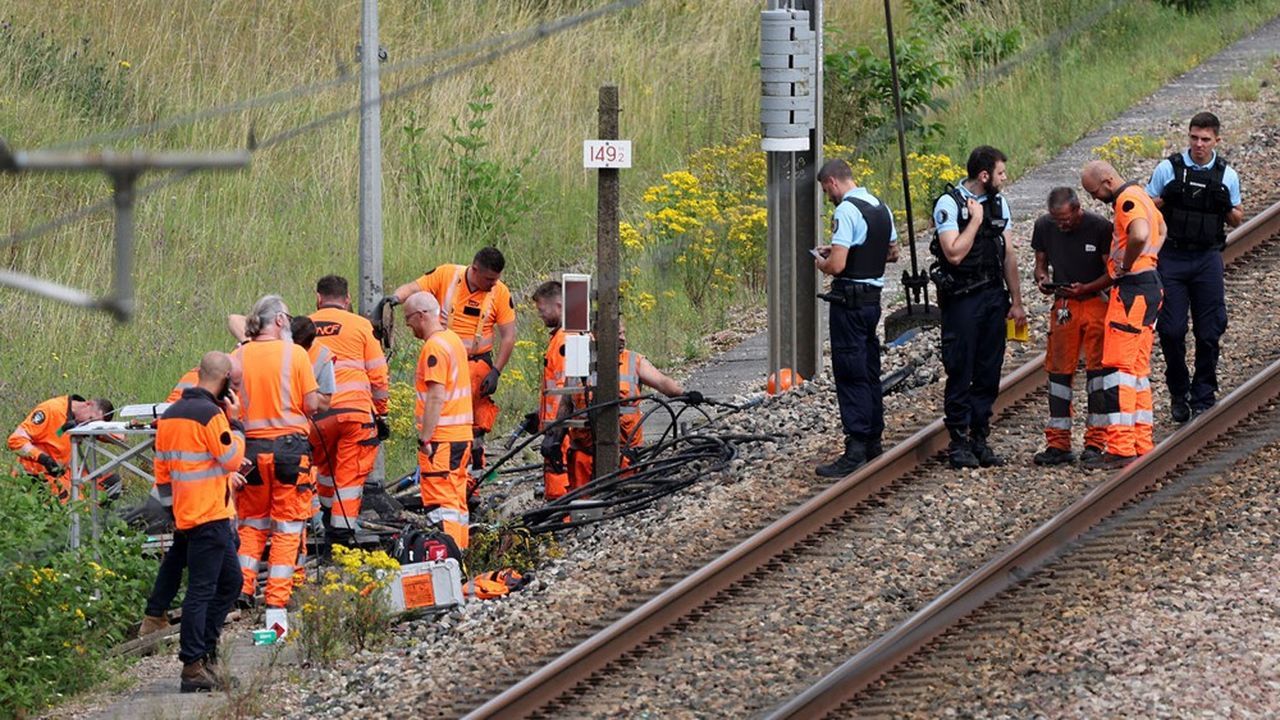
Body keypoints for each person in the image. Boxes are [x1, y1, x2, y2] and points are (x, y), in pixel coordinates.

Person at [149, 351, 246, 693]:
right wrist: (235, 423)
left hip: (190, 515)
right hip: (210, 517)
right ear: (222, 382)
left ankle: (204, 654)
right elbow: (232, 459)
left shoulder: (171, 414)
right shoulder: (212, 415)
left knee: (230, 583)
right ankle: (192, 666)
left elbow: (161, 471)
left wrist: (175, 512)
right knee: (203, 591)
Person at [930, 145, 1027, 469]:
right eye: (1000, 173)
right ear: (984, 176)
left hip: (992, 296)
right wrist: (975, 222)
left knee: (988, 370)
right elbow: (954, 253)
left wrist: (1016, 301)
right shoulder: (950, 205)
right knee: (961, 368)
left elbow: (1008, 254)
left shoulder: (999, 203)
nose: (1005, 178)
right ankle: (958, 441)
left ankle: (979, 437)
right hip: (962, 299)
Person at [230, 295, 321, 638]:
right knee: (286, 527)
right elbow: (311, 403)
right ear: (281, 321)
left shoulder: (239, 355)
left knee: (251, 523)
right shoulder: (295, 354)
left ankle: (242, 589)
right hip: (289, 451)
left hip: (250, 451)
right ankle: (277, 601)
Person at [1146, 111, 1243, 423]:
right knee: (1171, 330)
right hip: (1172, 257)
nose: (1198, 144)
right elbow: (1145, 208)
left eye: (1205, 139)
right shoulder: (1168, 169)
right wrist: (1165, 199)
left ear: (1216, 140)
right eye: (1194, 138)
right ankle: (1178, 390)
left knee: (1209, 330)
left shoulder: (1226, 174)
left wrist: (1225, 204)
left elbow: (1237, 217)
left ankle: (1203, 391)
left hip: (1206, 258)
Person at [392, 247, 516, 472]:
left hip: (478, 366)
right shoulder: (446, 275)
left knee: (477, 427)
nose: (493, 284)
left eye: (497, 279)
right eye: (489, 279)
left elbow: (508, 336)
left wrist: (496, 370)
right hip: (446, 364)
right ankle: (446, 468)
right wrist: (392, 300)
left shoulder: (499, 292)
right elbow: (412, 289)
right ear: (475, 270)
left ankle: (473, 483)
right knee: (443, 421)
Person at [1081, 160, 1166, 469]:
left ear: (1106, 180)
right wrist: (1149, 258)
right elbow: (1161, 228)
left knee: (1118, 369)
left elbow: (1141, 233)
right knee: (1137, 371)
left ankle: (1119, 446)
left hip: (1132, 290)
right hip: (1150, 286)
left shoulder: (1126, 200)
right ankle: (1141, 441)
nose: (1093, 199)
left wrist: (1128, 264)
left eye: (1093, 191)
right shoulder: (1141, 194)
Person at [812, 158, 894, 477]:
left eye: (825, 189)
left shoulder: (845, 210)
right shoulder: (880, 206)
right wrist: (842, 250)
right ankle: (873, 438)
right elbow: (892, 252)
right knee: (869, 367)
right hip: (872, 301)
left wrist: (822, 260)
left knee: (850, 370)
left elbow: (837, 266)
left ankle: (856, 445)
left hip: (849, 302)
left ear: (833, 182)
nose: (826, 195)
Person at [548, 317, 697, 492]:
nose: (622, 338)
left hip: (625, 455)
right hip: (583, 458)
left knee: (624, 501)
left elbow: (663, 382)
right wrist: (555, 438)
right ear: (596, 335)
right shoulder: (580, 362)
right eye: (617, 333)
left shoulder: (633, 361)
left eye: (623, 333)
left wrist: (685, 394)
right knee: (583, 507)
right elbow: (566, 405)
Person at [1030, 187, 1114, 466]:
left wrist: (1087, 287)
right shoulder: (1044, 226)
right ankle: (1058, 443)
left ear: (1078, 209)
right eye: (1057, 220)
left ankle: (1096, 441)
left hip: (1094, 302)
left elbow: (1112, 272)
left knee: (1098, 372)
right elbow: (1040, 264)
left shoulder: (1100, 228)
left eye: (1066, 219)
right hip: (1064, 303)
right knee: (1058, 372)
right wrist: (1042, 278)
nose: (1061, 225)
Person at [308, 275, 390, 545]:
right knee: (349, 474)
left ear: (319, 298)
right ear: (347, 299)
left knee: (324, 469)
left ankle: (328, 515)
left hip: (317, 416)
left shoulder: (303, 327)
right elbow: (378, 375)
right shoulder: (361, 326)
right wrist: (381, 412)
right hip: (354, 414)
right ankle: (341, 532)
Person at [404, 291, 474, 550]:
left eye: (408, 318)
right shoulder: (452, 340)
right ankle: (461, 557)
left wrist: (425, 436)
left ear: (421, 316)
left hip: (442, 439)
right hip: (460, 436)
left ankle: (448, 563)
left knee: (441, 505)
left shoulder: (434, 346)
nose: (407, 325)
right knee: (456, 504)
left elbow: (436, 395)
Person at [8, 394, 114, 501]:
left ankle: (109, 513)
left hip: (61, 473)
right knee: (77, 506)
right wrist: (43, 459)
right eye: (90, 419)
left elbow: (121, 437)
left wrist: (115, 429)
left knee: (109, 482)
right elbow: (16, 440)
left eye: (93, 423)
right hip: (36, 475)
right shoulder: (51, 410)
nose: (88, 424)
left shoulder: (80, 421)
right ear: (88, 404)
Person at [530, 280, 571, 500]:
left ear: (558, 305)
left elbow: (567, 389)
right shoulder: (558, 339)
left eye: (542, 310)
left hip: (562, 431)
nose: (540, 315)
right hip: (557, 427)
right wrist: (540, 417)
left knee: (561, 484)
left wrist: (556, 430)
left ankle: (562, 522)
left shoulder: (565, 340)